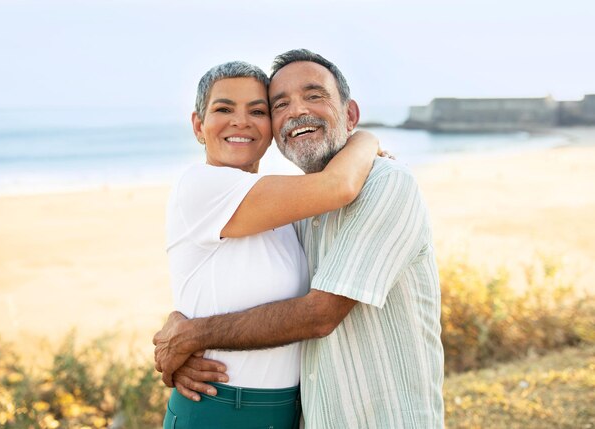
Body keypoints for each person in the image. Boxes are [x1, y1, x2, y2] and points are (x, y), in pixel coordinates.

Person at [154, 49, 445, 428]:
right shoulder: (217, 190)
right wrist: (179, 338)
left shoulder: (368, 188)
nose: (241, 121)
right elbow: (334, 186)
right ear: (198, 125)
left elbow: (317, 314)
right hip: (224, 406)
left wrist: (193, 334)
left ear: (350, 114)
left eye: (258, 111)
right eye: (224, 109)